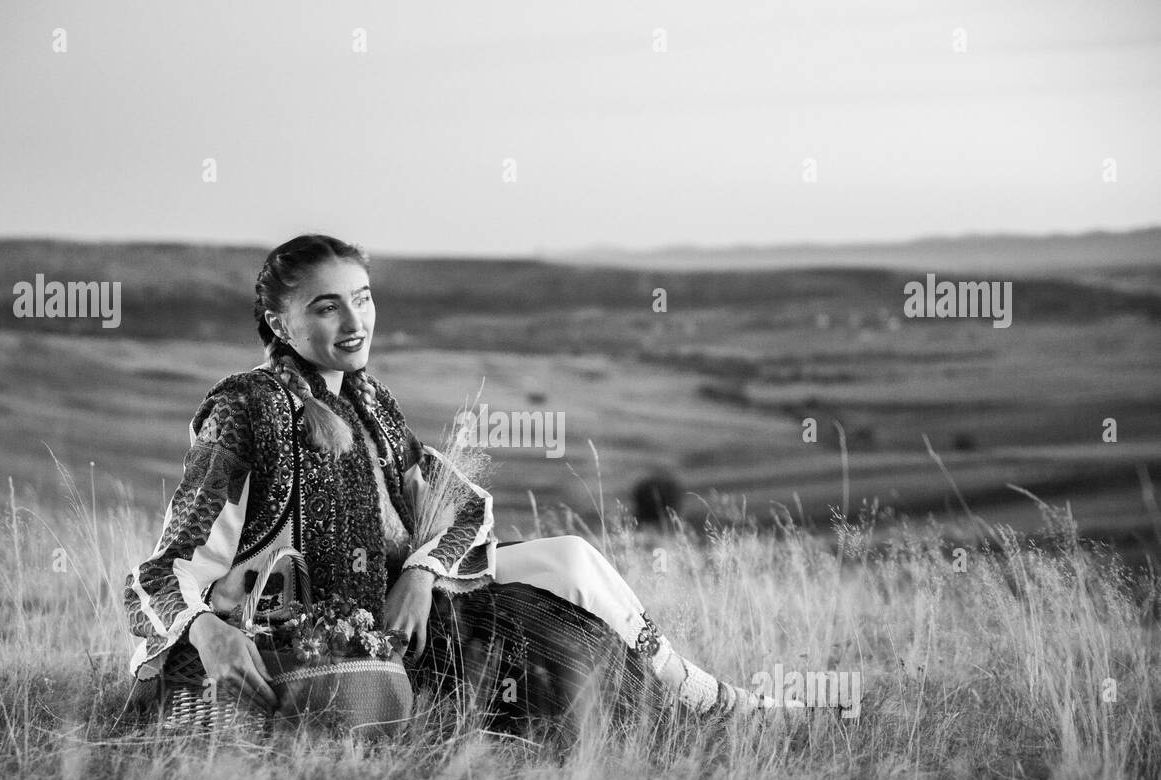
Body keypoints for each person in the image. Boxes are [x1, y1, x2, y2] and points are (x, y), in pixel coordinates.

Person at [123, 234, 772, 730]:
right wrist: (209, 632)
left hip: (394, 614)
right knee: (566, 570)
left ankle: (700, 694)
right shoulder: (246, 410)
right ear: (278, 323)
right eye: (327, 308)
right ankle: (714, 703)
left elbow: (465, 503)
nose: (354, 322)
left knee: (573, 556)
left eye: (363, 298)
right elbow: (161, 571)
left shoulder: (369, 400)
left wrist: (422, 573)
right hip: (305, 644)